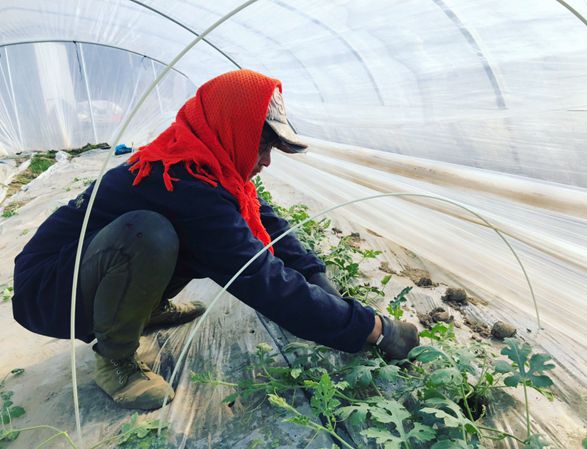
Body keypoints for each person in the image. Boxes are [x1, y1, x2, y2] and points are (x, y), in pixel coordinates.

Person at [12, 69, 418, 410]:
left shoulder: (205, 163)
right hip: (49, 291)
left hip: (86, 268)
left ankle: (145, 309)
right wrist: (376, 329)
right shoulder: (186, 184)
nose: (266, 161)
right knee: (150, 234)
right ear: (231, 129)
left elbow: (273, 229)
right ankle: (115, 358)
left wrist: (319, 279)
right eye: (262, 146)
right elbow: (261, 279)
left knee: (177, 236)